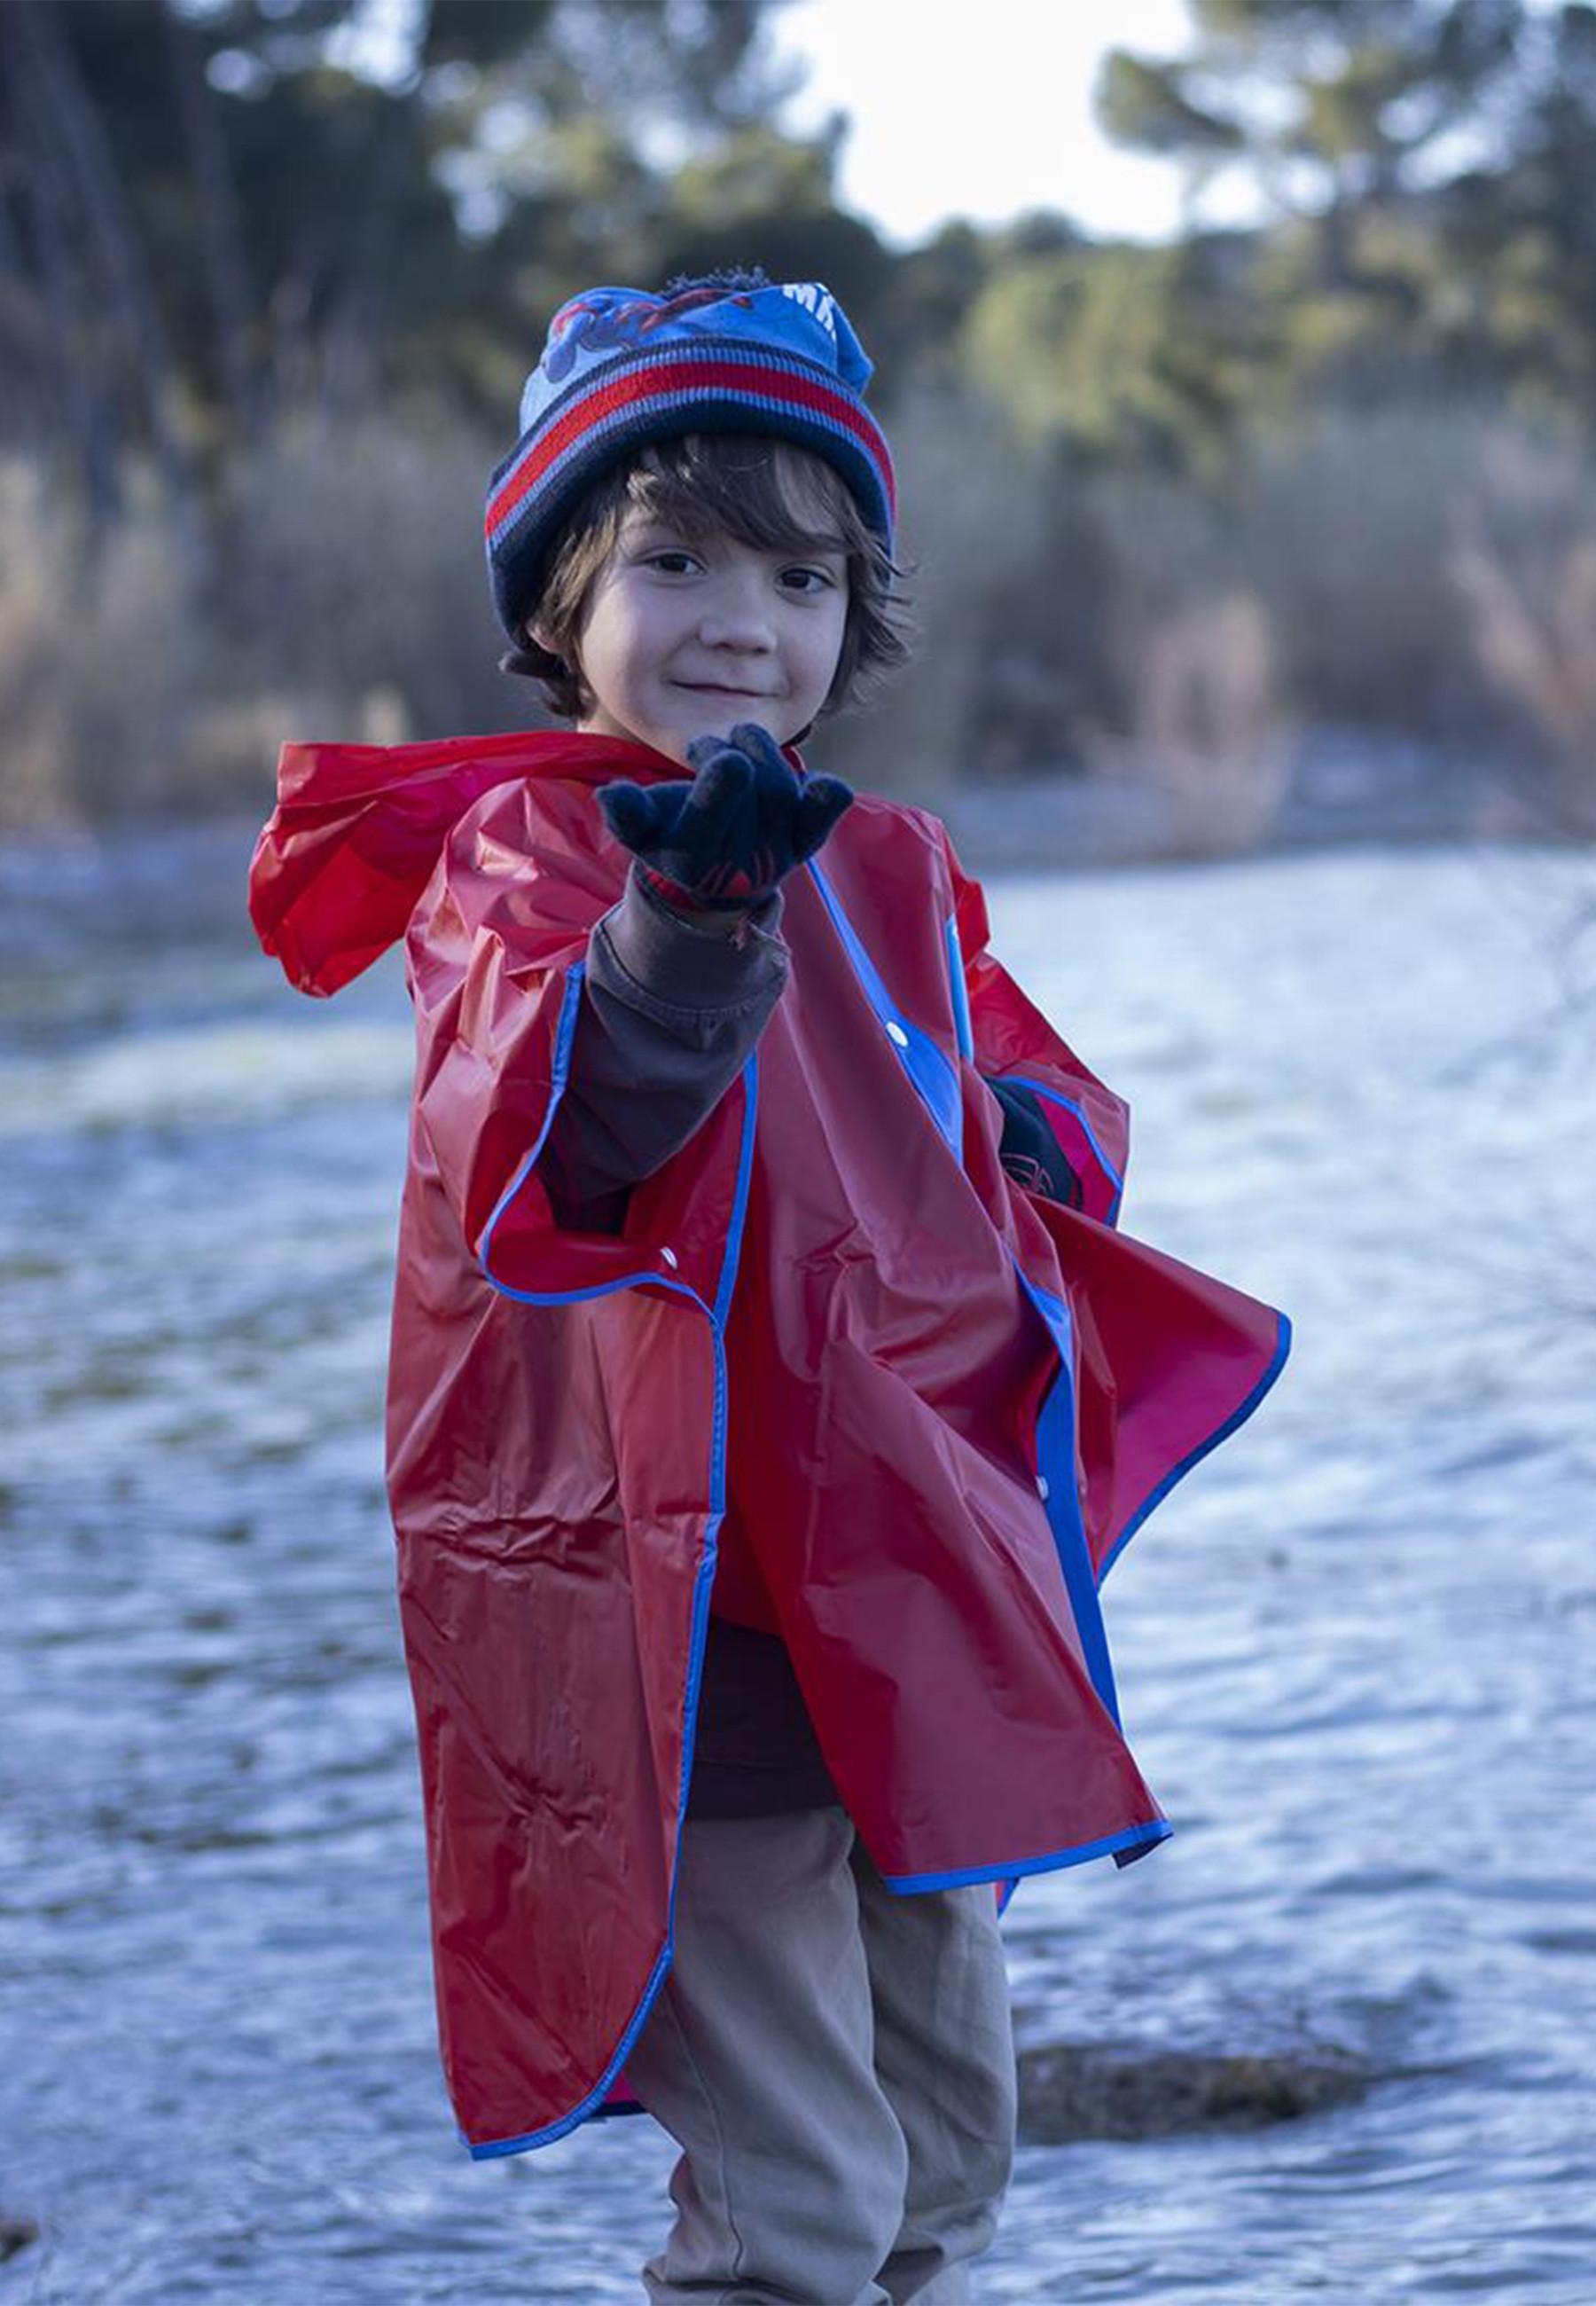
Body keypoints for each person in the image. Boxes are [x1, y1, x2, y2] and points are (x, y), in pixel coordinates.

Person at [249, 270, 1289, 2304]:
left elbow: (1029, 1093)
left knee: (945, 2148)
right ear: (561, 595)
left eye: (805, 579)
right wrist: (685, 920)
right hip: (686, 1620)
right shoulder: (536, 867)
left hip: (898, 1591)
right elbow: (558, 1133)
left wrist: (1025, 1142)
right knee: (795, 2192)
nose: (746, 615)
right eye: (679, 556)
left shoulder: (887, 863)